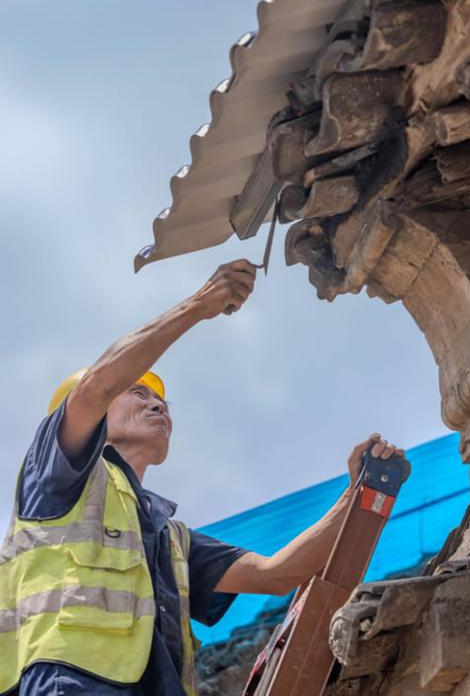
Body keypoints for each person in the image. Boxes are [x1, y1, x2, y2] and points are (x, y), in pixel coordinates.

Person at [0, 260, 406, 696]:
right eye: (138, 392)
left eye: (162, 401)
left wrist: (357, 493)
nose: (159, 405)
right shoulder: (57, 477)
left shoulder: (170, 538)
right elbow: (94, 388)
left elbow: (277, 574)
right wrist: (199, 305)